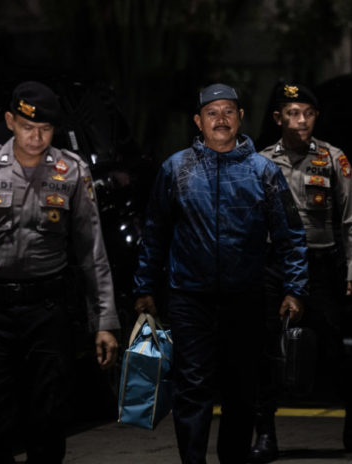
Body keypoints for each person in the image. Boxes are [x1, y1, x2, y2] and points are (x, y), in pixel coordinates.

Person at [0, 81, 120, 464]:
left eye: (45, 129)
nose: (36, 137)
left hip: (47, 312)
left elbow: (92, 251)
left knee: (47, 422)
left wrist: (104, 322)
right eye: (28, 127)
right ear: (11, 121)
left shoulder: (70, 172)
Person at [133, 83, 309, 464]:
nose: (221, 119)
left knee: (240, 390)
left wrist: (295, 288)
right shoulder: (176, 168)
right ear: (198, 122)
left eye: (228, 111)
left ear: (240, 117)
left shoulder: (263, 171)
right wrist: (144, 286)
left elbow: (291, 235)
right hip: (189, 299)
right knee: (192, 388)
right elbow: (155, 232)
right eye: (212, 113)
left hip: (245, 299)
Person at [250, 83, 352, 462]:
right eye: (292, 113)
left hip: (320, 263)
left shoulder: (333, 158)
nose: (300, 120)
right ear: (278, 118)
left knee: (332, 345)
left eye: (307, 113)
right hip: (274, 264)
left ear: (316, 117)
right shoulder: (261, 161)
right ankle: (265, 432)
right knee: (266, 347)